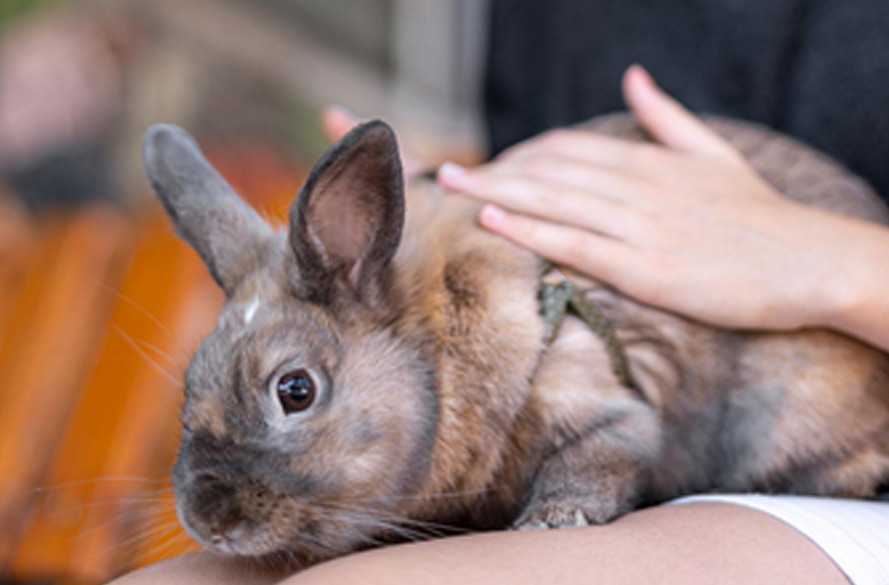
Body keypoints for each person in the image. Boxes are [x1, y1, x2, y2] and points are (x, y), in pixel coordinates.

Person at [110, 1, 889, 583]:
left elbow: (592, 413)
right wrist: (456, 216)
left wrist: (835, 265)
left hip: (837, 455)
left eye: (292, 390)